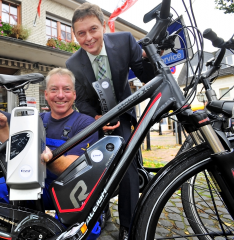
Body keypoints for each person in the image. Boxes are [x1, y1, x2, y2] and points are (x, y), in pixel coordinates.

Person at [66, 3, 156, 240]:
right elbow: (82, 100)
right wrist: (95, 119)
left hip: (123, 114)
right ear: (75, 35)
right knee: (98, 169)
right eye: (81, 33)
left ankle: (128, 225)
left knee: (127, 170)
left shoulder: (125, 41)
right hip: (96, 119)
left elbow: (146, 74)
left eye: (93, 29)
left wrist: (149, 57)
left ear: (104, 26)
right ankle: (101, 212)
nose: (88, 38)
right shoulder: (73, 64)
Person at [0, 68, 101, 238]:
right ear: (46, 94)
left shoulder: (85, 123)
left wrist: (47, 156)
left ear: (74, 94)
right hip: (39, 183)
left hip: (71, 188)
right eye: (54, 89)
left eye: (66, 89)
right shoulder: (38, 119)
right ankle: (20, 229)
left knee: (77, 233)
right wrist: (2, 127)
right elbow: (14, 149)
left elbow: (75, 167)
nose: (60, 95)